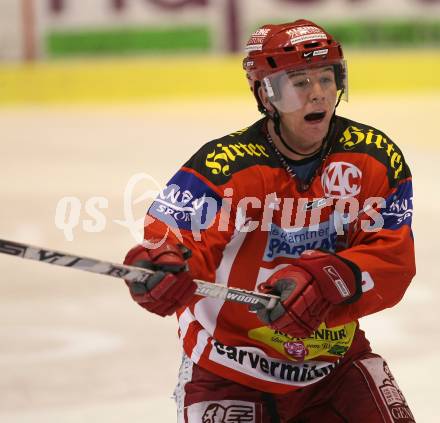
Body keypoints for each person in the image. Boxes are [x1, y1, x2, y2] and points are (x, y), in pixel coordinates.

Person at [124, 19, 416, 422]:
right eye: (299, 82)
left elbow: (394, 259)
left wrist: (331, 279)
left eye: (326, 78)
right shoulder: (225, 165)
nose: (317, 94)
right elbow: (176, 238)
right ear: (267, 93)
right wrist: (166, 265)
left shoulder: (374, 158)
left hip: (334, 368)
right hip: (228, 369)